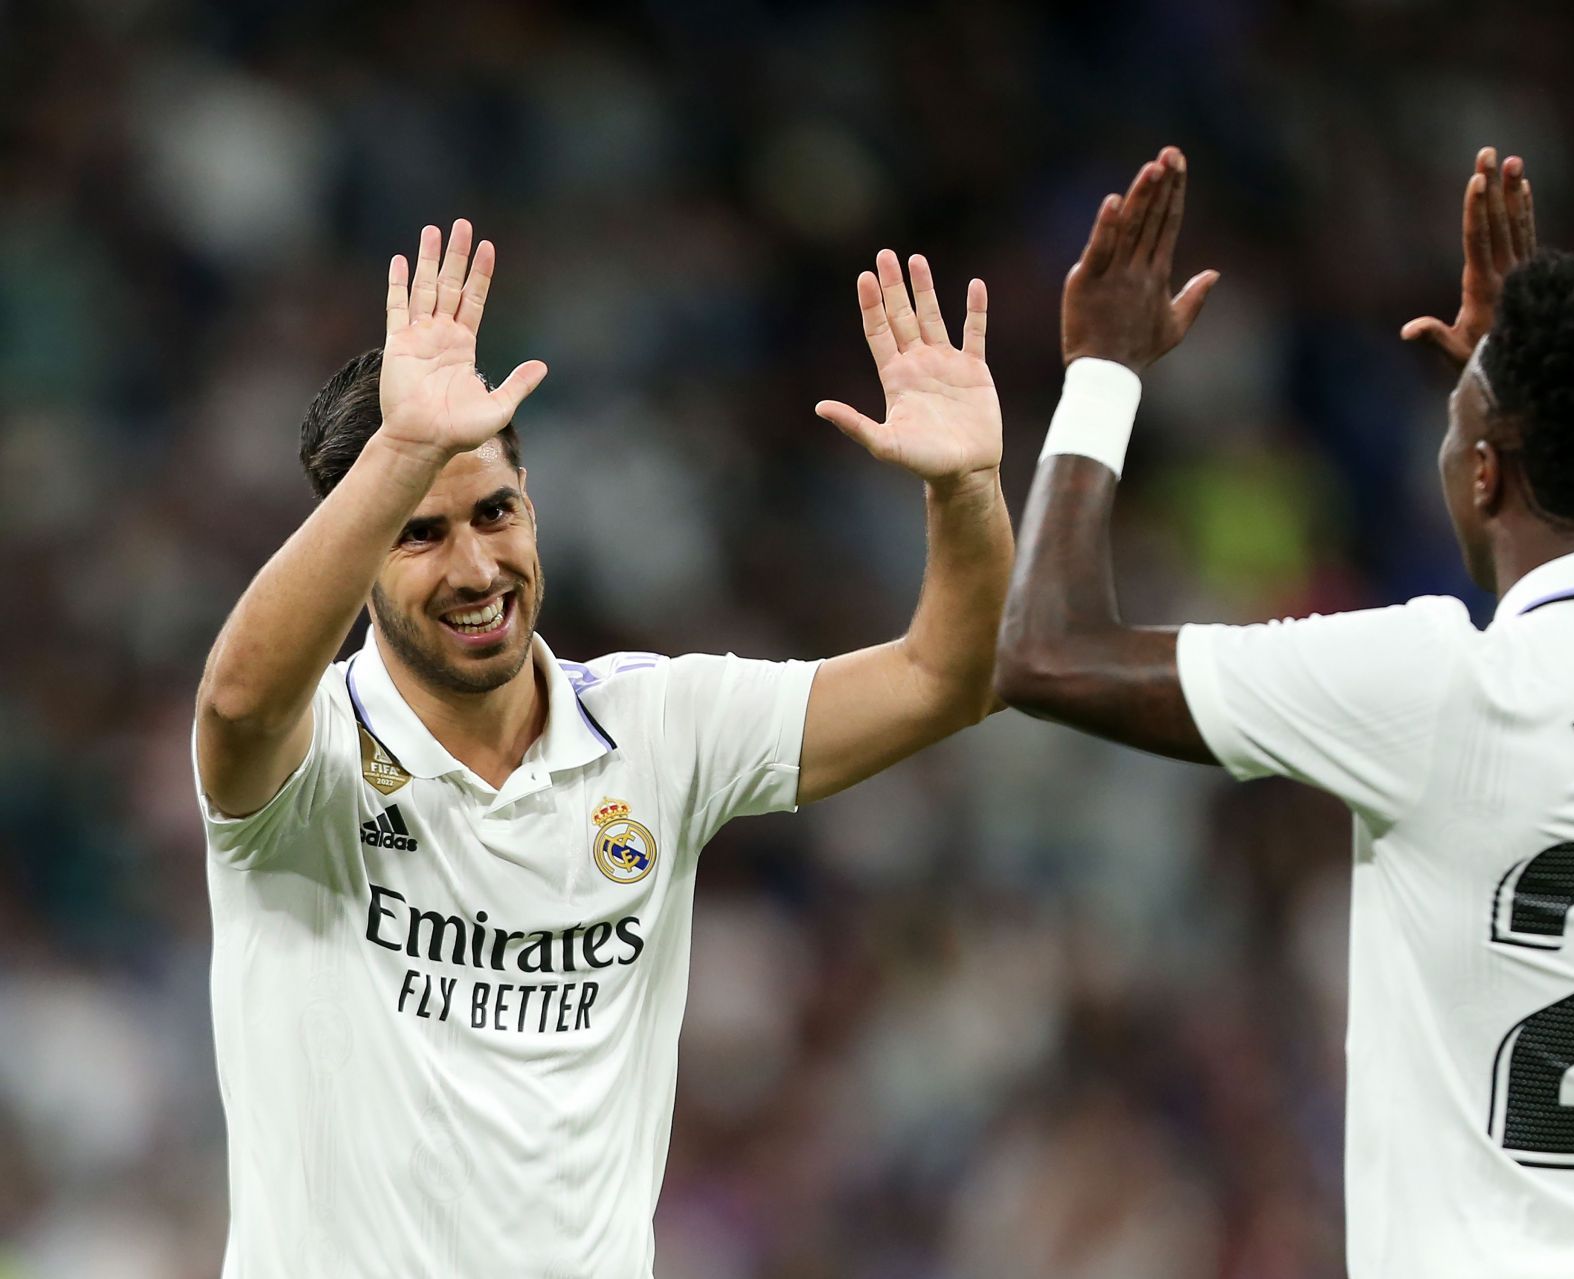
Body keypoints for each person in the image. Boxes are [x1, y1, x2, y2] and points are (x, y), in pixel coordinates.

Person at [995, 146, 1574, 1278]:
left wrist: (1101, 371)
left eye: (1458, 421)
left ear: (1486, 472)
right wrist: (1539, 363)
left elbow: (1046, 652)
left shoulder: (1442, 686)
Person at [192, 220, 1011, 1276]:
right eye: (421, 533)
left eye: (496, 512)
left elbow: (949, 677)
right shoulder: (312, 763)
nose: (478, 568)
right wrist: (398, 451)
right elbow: (239, 704)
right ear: (354, 558)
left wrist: (967, 490)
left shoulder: (659, 728)